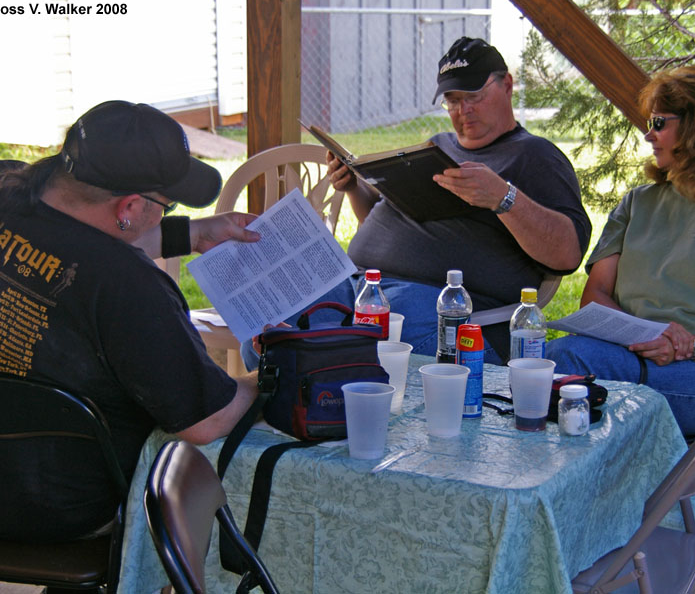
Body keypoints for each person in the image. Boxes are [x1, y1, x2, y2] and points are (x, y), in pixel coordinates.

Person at [0, 100, 262, 543]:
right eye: (167, 204)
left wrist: (194, 232)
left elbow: (75, 245)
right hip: (64, 507)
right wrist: (269, 376)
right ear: (128, 205)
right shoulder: (127, 286)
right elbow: (206, 420)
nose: (165, 212)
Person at [244, 36, 591, 366]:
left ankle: (326, 389)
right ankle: (308, 398)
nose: (463, 110)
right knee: (264, 330)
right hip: (361, 285)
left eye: (474, 95)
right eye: (452, 100)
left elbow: (567, 253)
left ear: (507, 85)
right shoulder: (436, 146)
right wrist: (354, 188)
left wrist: (504, 198)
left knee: (349, 349)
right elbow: (389, 224)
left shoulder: (534, 156)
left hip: (435, 304)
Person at [544, 66, 695, 437]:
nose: (648, 135)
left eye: (659, 123)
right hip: (627, 355)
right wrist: (647, 336)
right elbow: (594, 296)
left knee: (562, 363)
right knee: (545, 366)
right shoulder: (637, 203)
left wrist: (685, 346)